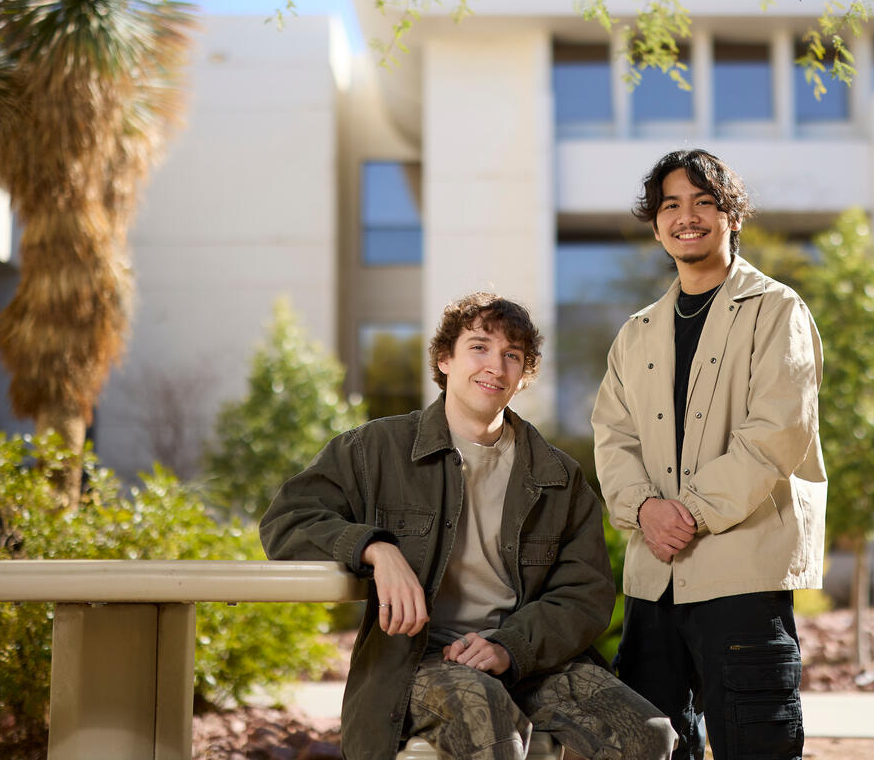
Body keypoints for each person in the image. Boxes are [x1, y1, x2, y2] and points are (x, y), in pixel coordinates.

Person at [261, 292, 675, 760]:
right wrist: (376, 549)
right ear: (445, 359)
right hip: (420, 659)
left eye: (512, 356)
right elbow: (287, 521)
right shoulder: (374, 449)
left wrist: (509, 646)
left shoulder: (558, 476)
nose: (495, 367)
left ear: (523, 376)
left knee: (646, 733)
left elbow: (585, 594)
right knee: (486, 718)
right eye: (479, 347)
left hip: (527, 656)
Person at [591, 149, 827, 760]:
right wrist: (644, 509)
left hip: (741, 576)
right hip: (654, 583)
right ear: (656, 222)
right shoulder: (637, 331)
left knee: (757, 746)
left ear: (731, 216)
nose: (686, 216)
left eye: (704, 202)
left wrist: (687, 513)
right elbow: (613, 436)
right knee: (647, 747)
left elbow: (776, 431)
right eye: (671, 205)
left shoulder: (777, 310)